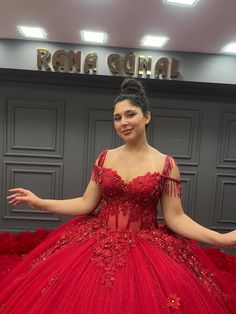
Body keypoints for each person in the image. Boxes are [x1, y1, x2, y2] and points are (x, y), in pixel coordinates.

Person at [0, 78, 236, 314]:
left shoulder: (166, 164)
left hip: (147, 250)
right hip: (94, 245)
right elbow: (86, 203)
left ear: (147, 117)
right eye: (117, 117)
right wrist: (39, 202)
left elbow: (175, 217)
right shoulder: (105, 158)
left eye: (130, 114)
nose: (123, 122)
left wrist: (221, 239)